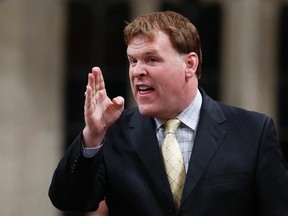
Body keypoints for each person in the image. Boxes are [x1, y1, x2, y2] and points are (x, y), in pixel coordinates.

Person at [49, 11, 288, 216]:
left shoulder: (252, 131)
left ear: (190, 64)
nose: (137, 71)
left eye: (151, 59)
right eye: (133, 61)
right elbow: (70, 201)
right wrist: (92, 135)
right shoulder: (113, 132)